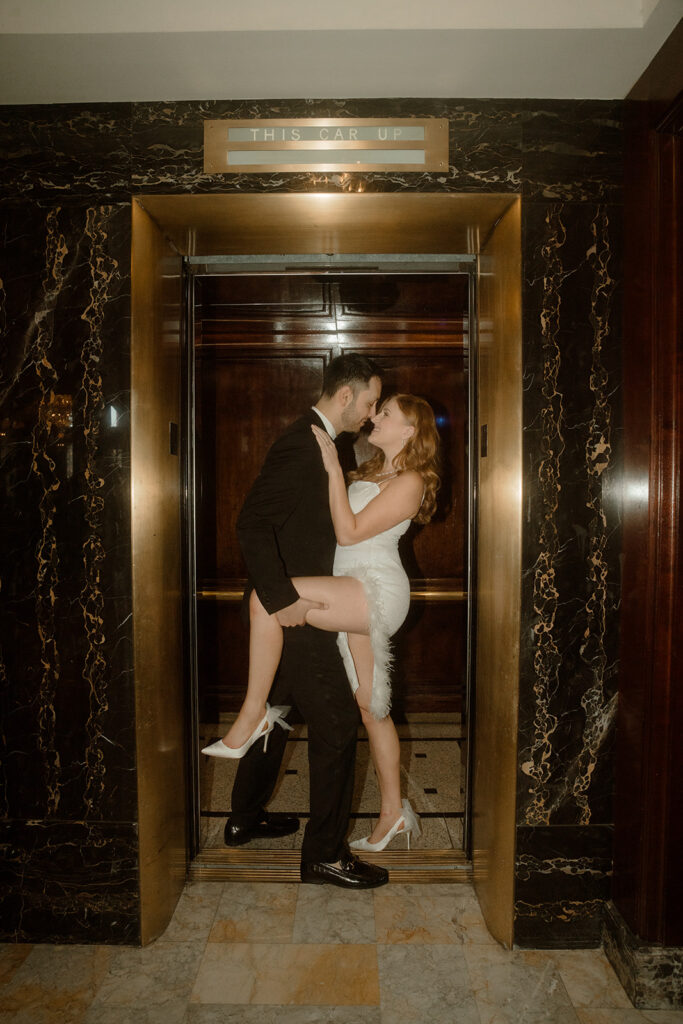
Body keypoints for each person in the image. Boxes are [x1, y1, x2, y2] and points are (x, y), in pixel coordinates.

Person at [203, 386, 441, 854]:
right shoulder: (374, 467)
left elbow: (349, 531)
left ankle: (253, 716)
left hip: (374, 590)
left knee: (265, 599)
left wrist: (333, 469)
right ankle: (394, 814)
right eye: (376, 408)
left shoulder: (411, 480)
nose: (376, 417)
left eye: (386, 412)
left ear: (410, 431)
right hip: (349, 585)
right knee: (371, 706)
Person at [203, 353, 388, 889]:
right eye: (371, 401)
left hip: (291, 602)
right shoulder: (303, 441)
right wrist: (283, 600)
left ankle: (244, 817)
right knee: (336, 725)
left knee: (277, 712)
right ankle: (325, 855)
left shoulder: (326, 442)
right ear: (346, 395)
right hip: (292, 609)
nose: (372, 412)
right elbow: (251, 524)